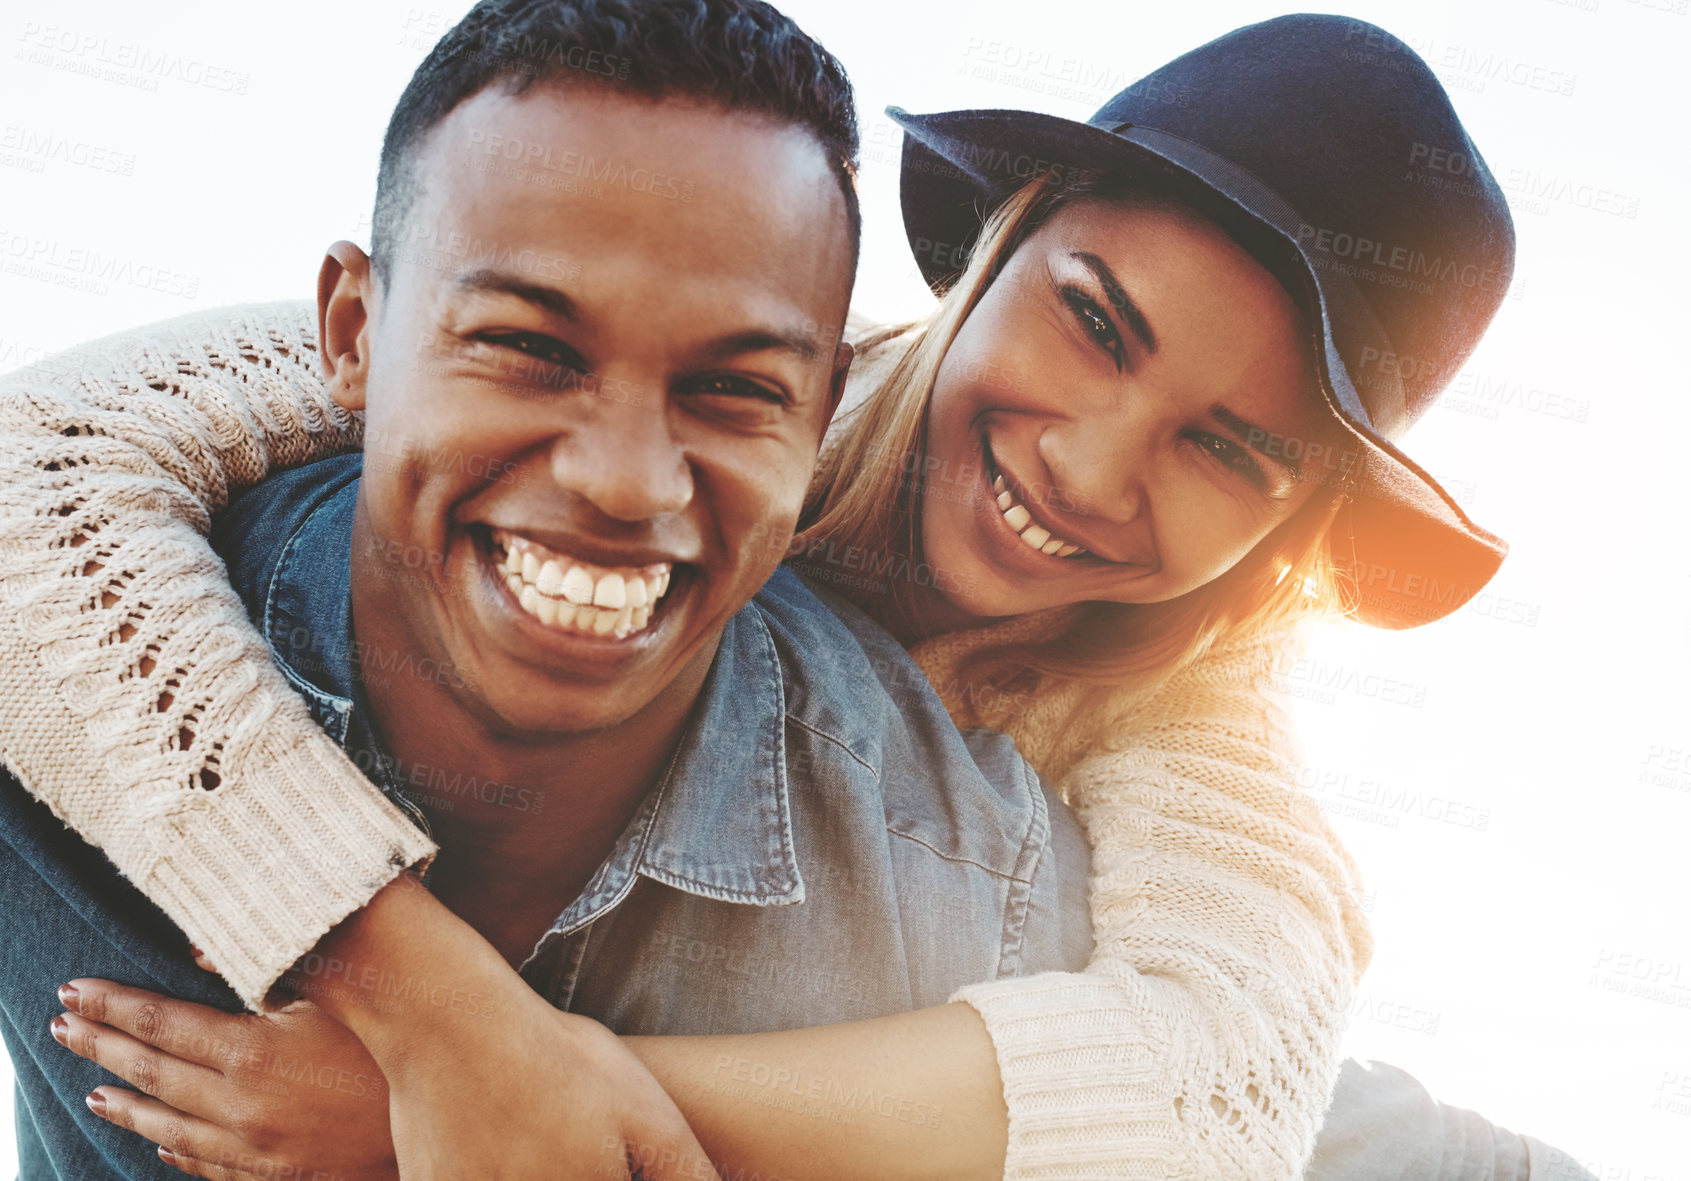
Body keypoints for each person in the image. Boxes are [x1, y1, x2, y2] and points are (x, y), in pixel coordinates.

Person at [0, 6, 1593, 1179]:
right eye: (1097, 323)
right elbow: (40, 468)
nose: (1097, 469)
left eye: (1230, 450)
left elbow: (1209, 1104)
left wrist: (547, 1092)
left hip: (1167, 1092)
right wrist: (431, 1011)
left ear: (1293, 521)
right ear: (1001, 246)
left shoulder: (1191, 725)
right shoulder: (705, 369)